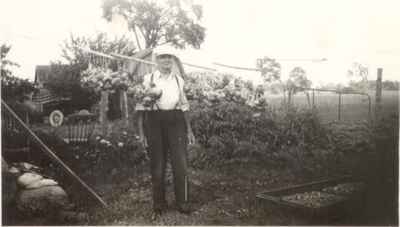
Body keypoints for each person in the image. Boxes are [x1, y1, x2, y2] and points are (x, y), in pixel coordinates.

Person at [135, 48, 195, 218]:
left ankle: (183, 202)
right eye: (162, 57)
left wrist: (189, 129)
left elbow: (184, 107)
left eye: (169, 57)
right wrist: (142, 132)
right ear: (156, 60)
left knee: (181, 164)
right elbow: (140, 107)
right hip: (154, 122)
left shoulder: (179, 81)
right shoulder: (149, 79)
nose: (166, 60)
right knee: (158, 165)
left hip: (176, 122)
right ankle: (159, 204)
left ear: (173, 60)